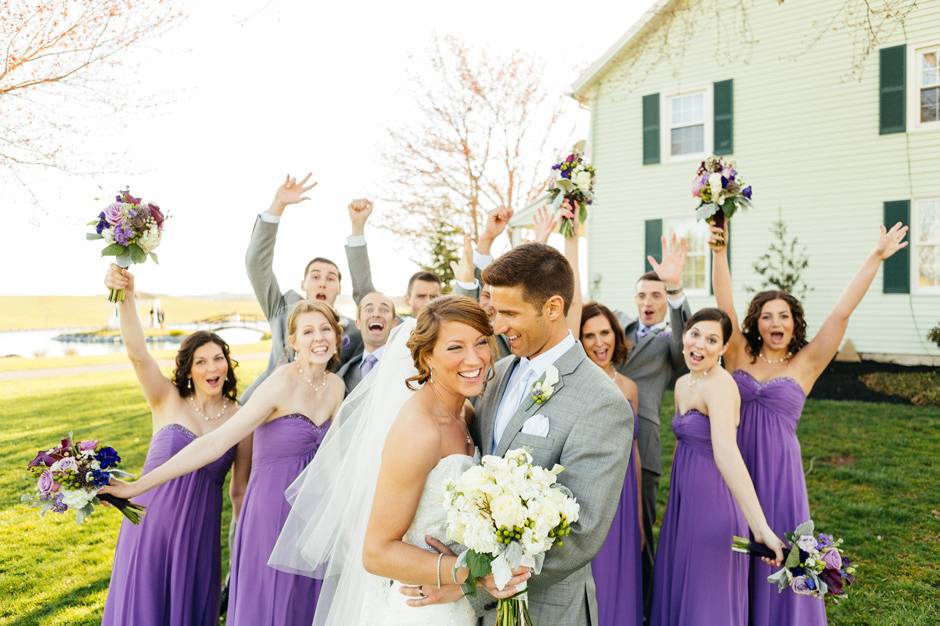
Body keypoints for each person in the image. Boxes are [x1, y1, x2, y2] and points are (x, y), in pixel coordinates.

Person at [268, 297, 527, 625]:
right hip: (420, 610)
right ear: (427, 356)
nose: (474, 358)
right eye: (455, 348)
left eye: (480, 343)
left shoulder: (466, 412)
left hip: (455, 603)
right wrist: (470, 573)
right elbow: (376, 552)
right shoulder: (419, 430)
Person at [709, 221, 909, 626]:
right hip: (736, 463)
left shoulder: (808, 362)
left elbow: (842, 311)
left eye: (783, 315)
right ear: (756, 323)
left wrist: (875, 257)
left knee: (780, 547)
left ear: (794, 322)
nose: (775, 323)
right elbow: (724, 303)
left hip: (782, 473)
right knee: (735, 546)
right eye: (767, 316)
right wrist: (718, 252)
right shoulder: (738, 356)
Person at [424, 242, 632, 625]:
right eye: (494, 310)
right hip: (471, 609)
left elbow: (582, 531)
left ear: (552, 308)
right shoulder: (499, 372)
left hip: (545, 609)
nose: (497, 326)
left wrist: (475, 576)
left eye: (508, 313)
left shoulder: (602, 402)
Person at [103, 299, 346, 626]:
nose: (318, 337)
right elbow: (216, 442)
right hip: (271, 514)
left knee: (307, 608)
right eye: (308, 331)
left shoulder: (336, 386)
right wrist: (136, 486)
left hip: (312, 515)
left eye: (325, 329)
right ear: (293, 342)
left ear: (336, 334)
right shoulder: (279, 382)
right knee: (272, 606)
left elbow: (334, 461)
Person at [100, 265, 251, 626]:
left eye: (218, 359)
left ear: (227, 366)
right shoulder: (166, 400)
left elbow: (240, 491)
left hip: (198, 536)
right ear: (189, 370)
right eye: (201, 361)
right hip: (149, 527)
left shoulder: (241, 418)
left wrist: (242, 550)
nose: (212, 367)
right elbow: (138, 354)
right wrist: (128, 296)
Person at [650, 308, 784, 626]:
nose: (700, 344)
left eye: (712, 340)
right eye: (695, 334)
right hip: (684, 503)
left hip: (713, 506)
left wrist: (760, 527)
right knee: (682, 586)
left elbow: (727, 455)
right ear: (683, 337)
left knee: (706, 600)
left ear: (724, 349)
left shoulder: (721, 386)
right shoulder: (684, 383)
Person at [614, 235, 691, 613]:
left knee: (640, 528)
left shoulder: (670, 342)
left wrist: (676, 292)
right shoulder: (618, 331)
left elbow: (685, 349)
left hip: (641, 442)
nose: (648, 303)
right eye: (642, 295)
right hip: (599, 436)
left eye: (656, 296)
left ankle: (645, 605)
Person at [243, 173, 362, 401]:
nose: (323, 282)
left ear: (339, 287)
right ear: (303, 284)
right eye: (315, 276)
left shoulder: (354, 333)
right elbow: (256, 264)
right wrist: (278, 206)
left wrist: (357, 229)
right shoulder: (282, 309)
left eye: (331, 278)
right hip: (267, 409)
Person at [344, 198, 443, 317]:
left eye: (434, 297)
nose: (428, 303)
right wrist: (357, 227)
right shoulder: (395, 328)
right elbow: (365, 295)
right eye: (421, 296)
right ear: (407, 300)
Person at [336, 291, 396, 392]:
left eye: (384, 309)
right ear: (358, 323)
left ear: (394, 323)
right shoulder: (345, 373)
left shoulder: (406, 366)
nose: (376, 314)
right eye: (369, 309)